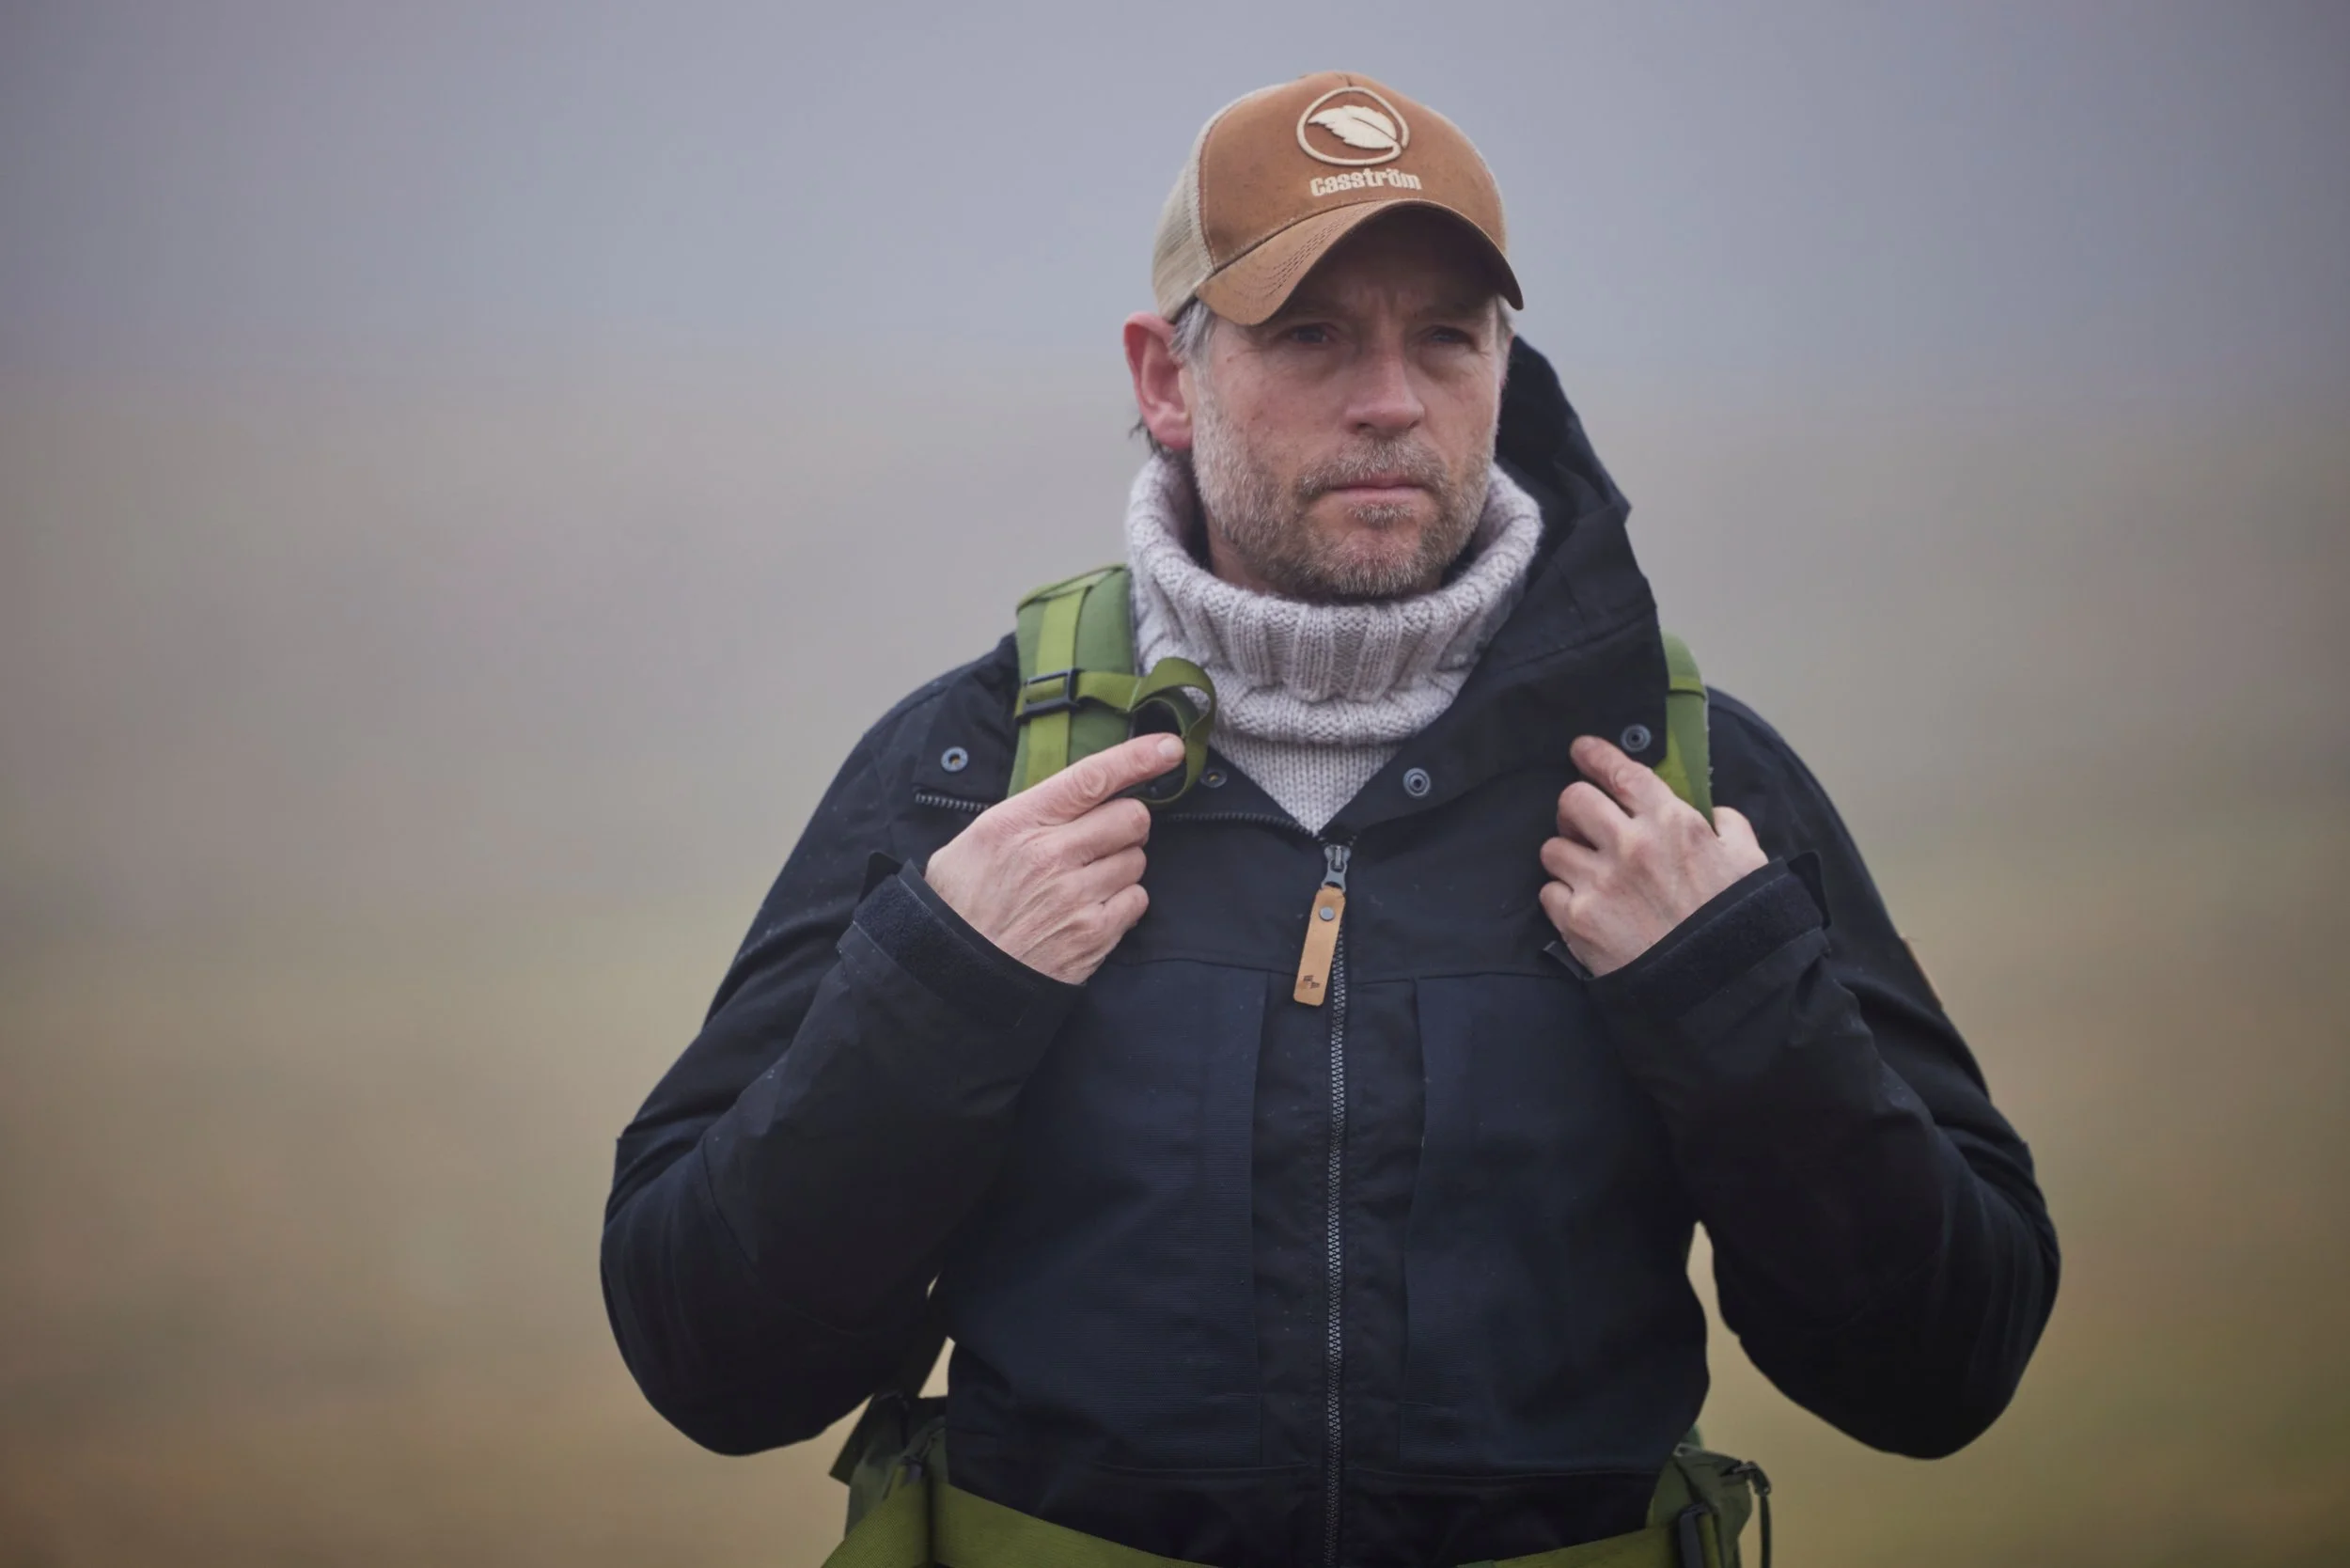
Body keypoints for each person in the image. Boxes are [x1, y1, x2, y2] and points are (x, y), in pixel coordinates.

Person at [601, 71, 2059, 1568]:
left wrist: (1730, 990)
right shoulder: (972, 775)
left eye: (1446, 337)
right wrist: (943, 987)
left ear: (1504, 365)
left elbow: (1943, 1372)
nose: (1391, 400)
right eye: (1310, 334)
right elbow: (707, 1356)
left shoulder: (1677, 787)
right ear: (1165, 380)